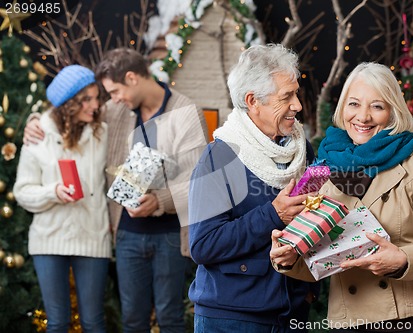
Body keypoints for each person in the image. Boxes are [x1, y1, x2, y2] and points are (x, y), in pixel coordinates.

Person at [24, 48, 208, 333]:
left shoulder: (185, 112)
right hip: (126, 235)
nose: (108, 100)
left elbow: (199, 184)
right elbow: (66, 112)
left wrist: (159, 200)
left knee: (170, 318)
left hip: (170, 236)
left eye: (113, 91)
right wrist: (34, 121)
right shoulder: (117, 110)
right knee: (132, 320)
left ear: (132, 78)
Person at [270, 62, 413, 332]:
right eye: (354, 104)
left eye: (377, 106)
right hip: (353, 319)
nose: (363, 117)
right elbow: (318, 259)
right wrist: (288, 259)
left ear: (393, 112)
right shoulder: (323, 168)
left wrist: (402, 260)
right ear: (343, 108)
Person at [188, 43, 319, 333]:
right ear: (253, 101)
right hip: (232, 318)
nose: (297, 105)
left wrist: (310, 290)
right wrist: (273, 214)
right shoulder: (219, 156)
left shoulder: (302, 150)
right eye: (286, 96)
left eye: (296, 93)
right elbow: (202, 246)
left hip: (292, 313)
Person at [14, 65, 111, 333]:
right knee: (57, 323)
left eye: (96, 97)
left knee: (93, 321)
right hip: (49, 239)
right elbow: (22, 191)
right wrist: (52, 192)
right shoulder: (39, 135)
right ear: (69, 104)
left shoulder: (102, 132)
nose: (95, 105)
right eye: (87, 99)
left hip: (92, 236)